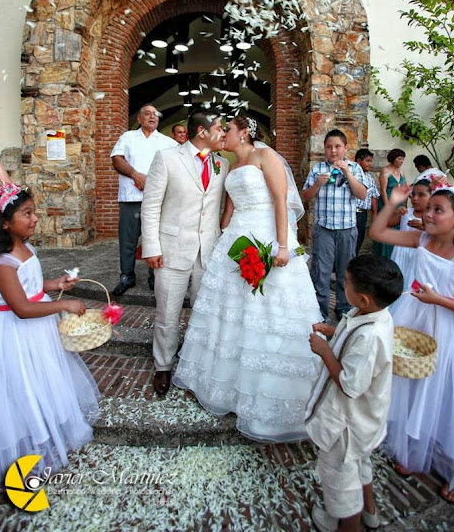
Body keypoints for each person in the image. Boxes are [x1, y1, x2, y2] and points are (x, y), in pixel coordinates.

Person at [173, 114, 323, 442]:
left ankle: (269, 395)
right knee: (230, 312)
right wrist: (225, 227)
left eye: (227, 129)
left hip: (268, 235)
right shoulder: (229, 165)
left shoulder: (265, 157)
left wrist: (283, 245)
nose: (222, 134)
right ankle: (224, 387)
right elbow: (228, 206)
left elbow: (281, 201)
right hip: (237, 240)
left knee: (268, 310)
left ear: (243, 134)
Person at [0, 183, 99, 492]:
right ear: (5, 222)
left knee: (44, 381)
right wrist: (64, 304)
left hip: (38, 331)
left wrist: (56, 283)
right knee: (23, 386)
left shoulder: (24, 247)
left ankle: (48, 430)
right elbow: (21, 307)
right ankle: (28, 445)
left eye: (34, 212)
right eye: (27, 213)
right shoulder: (1, 263)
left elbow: (32, 286)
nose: (35, 218)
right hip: (15, 334)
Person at [370, 184, 454, 503]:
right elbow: (378, 233)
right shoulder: (421, 239)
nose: (429, 214)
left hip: (447, 329)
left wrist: (438, 299)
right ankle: (412, 448)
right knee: (411, 385)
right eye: (428, 208)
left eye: (438, 210)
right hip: (413, 321)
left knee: (445, 395)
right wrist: (393, 202)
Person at [306, 254, 403, 532]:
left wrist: (325, 351)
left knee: (342, 485)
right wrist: (334, 332)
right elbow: (353, 339)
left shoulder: (370, 338)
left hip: (347, 426)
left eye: (346, 283)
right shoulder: (374, 315)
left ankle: (348, 524)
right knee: (360, 465)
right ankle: (370, 512)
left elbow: (350, 384)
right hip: (364, 425)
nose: (343, 284)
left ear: (363, 300)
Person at [141, 109, 229, 396]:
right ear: (202, 131)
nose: (223, 133)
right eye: (219, 128)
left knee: (202, 314)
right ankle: (163, 366)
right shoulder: (167, 158)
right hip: (171, 250)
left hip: (208, 252)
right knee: (168, 312)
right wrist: (151, 247)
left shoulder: (222, 165)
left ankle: (196, 365)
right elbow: (151, 205)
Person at [111, 104, 177, 296]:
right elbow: (117, 159)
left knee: (155, 239)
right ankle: (127, 277)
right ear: (139, 119)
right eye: (147, 114)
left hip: (157, 201)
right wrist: (135, 175)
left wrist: (154, 183)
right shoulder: (128, 137)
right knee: (128, 240)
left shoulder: (167, 143)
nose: (152, 117)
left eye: (155, 114)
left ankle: (154, 277)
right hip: (130, 198)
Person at [302, 129, 367, 323]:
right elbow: (305, 196)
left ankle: (343, 308)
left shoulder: (355, 168)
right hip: (324, 229)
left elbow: (363, 195)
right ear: (324, 149)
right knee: (321, 271)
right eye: (329, 147)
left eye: (337, 146)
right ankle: (320, 311)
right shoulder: (317, 169)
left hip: (347, 228)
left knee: (345, 272)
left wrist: (347, 172)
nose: (333, 151)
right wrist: (317, 185)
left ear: (345, 148)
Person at [390, 178, 431, 288]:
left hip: (420, 256)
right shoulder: (406, 212)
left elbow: (441, 235)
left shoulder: (431, 217)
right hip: (401, 255)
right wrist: (396, 214)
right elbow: (388, 224)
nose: (415, 198)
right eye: (413, 195)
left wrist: (424, 227)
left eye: (421, 195)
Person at [373, 149, 407, 259]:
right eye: (399, 158)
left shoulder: (402, 172)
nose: (401, 161)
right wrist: (389, 208)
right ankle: (383, 256)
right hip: (387, 202)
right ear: (393, 159)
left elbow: (404, 189)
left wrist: (404, 205)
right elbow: (383, 190)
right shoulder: (385, 171)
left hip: (399, 203)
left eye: (403, 159)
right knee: (386, 227)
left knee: (398, 228)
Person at [354, 149, 380, 254]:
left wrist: (375, 215)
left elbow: (374, 196)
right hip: (351, 213)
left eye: (370, 161)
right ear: (359, 161)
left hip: (363, 214)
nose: (370, 164)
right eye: (367, 161)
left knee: (359, 239)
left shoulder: (369, 178)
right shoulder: (352, 176)